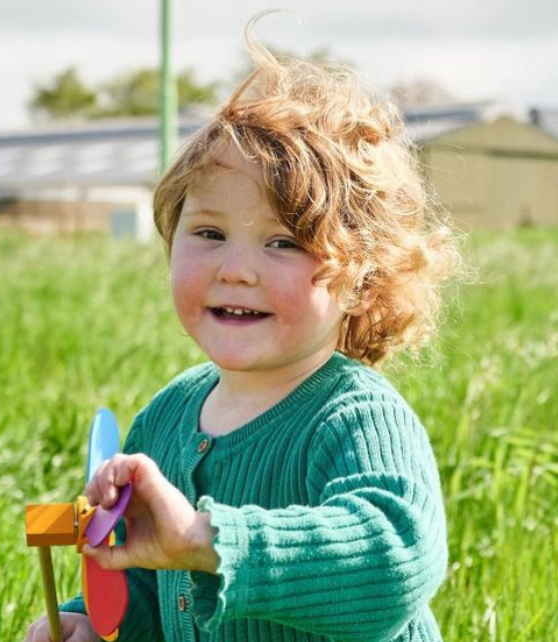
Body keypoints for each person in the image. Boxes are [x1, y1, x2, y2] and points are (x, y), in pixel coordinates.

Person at [24, 19, 460, 642]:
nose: (236, 270)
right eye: (209, 233)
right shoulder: (170, 416)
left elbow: (394, 561)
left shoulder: (355, 418)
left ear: (362, 281)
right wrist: (94, 624)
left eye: (284, 242)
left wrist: (206, 541)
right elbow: (155, 579)